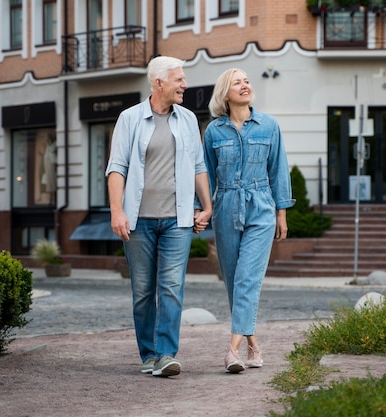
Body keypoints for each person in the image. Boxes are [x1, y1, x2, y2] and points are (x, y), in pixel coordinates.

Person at [105, 56, 212, 377]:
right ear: (159, 83)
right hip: (138, 221)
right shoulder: (130, 118)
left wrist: (206, 206)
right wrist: (117, 210)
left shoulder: (189, 119)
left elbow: (198, 165)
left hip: (178, 220)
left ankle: (166, 354)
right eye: (179, 79)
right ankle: (148, 355)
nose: (185, 85)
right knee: (142, 292)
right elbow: (117, 167)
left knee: (170, 287)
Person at [203, 68, 295, 373]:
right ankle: (254, 346)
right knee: (234, 282)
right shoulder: (214, 132)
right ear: (225, 94)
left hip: (261, 206)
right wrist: (201, 208)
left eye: (246, 81)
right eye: (237, 82)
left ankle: (232, 351)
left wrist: (282, 212)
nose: (245, 85)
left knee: (246, 279)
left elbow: (279, 170)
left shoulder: (269, 126)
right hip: (226, 205)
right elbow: (203, 174)